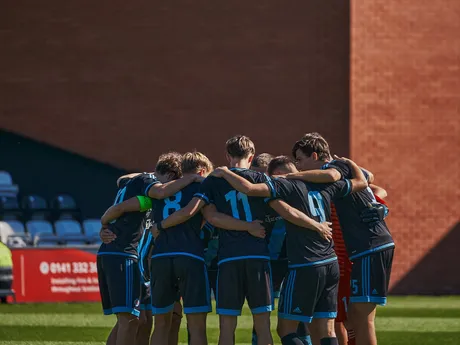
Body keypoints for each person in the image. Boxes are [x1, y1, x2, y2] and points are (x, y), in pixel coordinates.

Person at [151, 136, 333, 345]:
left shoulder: (215, 179)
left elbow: (211, 217)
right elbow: (286, 210)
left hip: (228, 259)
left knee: (226, 328)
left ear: (228, 155)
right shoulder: (261, 178)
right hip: (258, 257)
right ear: (252, 156)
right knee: (263, 327)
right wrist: (315, 224)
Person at [211, 154, 368, 345]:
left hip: (304, 263)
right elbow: (363, 181)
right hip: (330, 262)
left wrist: (225, 172)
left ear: (276, 174)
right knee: (326, 327)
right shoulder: (322, 184)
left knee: (285, 328)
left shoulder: (283, 186)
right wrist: (350, 162)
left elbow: (251, 189)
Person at [149, 151, 266, 345]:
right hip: (190, 256)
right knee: (196, 326)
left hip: (161, 256)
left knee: (161, 324)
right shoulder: (204, 186)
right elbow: (202, 214)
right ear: (203, 171)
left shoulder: (161, 188)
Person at [288, 133, 393, 345]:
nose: (298, 167)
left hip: (370, 246)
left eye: (300, 160)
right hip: (365, 248)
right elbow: (368, 178)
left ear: (315, 155)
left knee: (362, 318)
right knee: (354, 316)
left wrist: (290, 177)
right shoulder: (343, 167)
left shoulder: (334, 167)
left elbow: (335, 176)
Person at [97, 152, 202, 345]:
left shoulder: (140, 186)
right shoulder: (148, 182)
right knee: (129, 320)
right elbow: (153, 194)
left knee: (144, 319)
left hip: (133, 257)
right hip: (122, 253)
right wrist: (103, 224)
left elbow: (123, 179)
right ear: (171, 176)